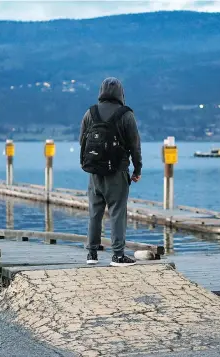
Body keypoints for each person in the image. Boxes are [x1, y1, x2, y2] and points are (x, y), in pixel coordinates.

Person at [79, 77, 142, 267]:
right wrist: (137, 169)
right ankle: (118, 255)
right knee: (117, 212)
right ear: (121, 93)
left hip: (95, 173)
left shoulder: (90, 113)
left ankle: (91, 254)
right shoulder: (126, 114)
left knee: (94, 212)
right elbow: (134, 146)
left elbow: (82, 141)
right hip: (117, 173)